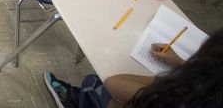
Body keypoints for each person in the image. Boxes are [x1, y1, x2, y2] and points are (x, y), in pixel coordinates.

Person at [44, 28, 223, 108]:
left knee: (95, 84)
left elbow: (114, 82)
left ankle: (72, 99)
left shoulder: (178, 97)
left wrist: (184, 75)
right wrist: (181, 63)